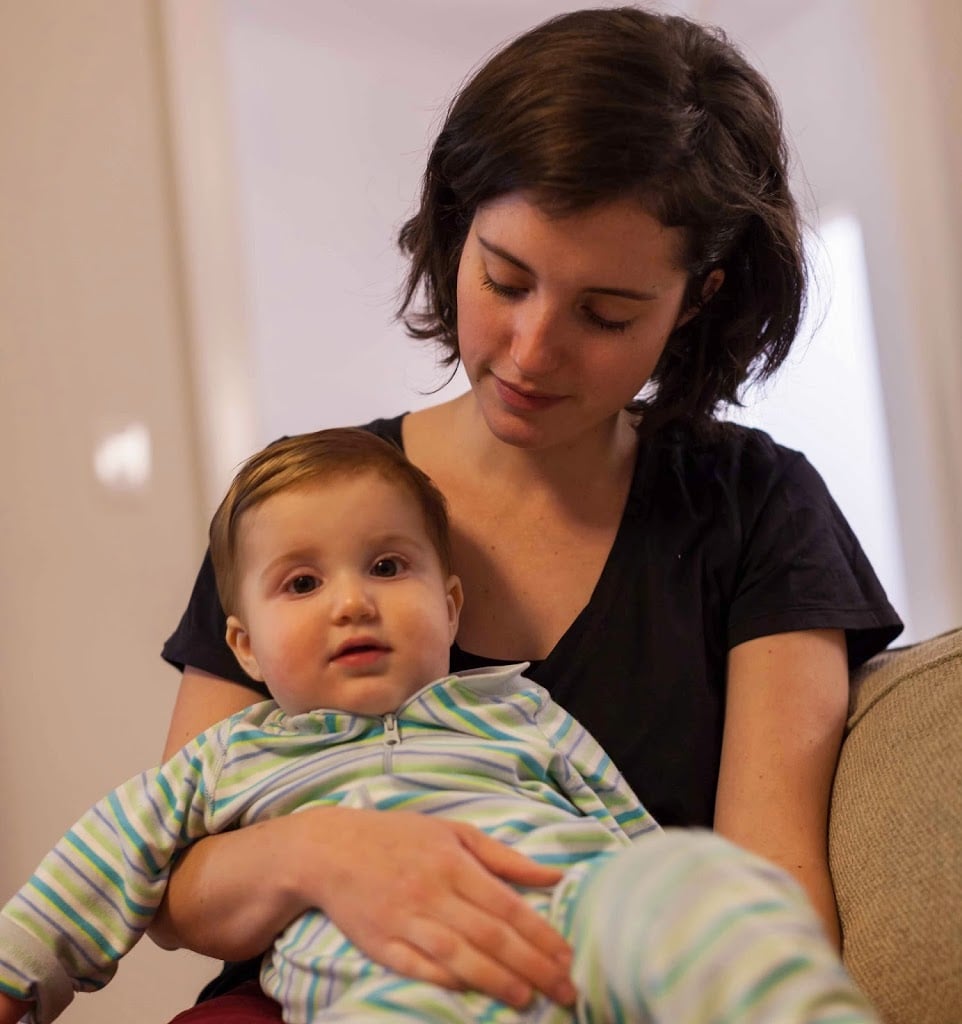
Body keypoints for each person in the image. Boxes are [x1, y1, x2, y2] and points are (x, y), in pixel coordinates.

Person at [153, 6, 902, 1021]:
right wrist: (326, 852)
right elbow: (176, 886)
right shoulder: (302, 505)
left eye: (604, 313)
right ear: (456, 232)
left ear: (695, 299)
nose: (530, 349)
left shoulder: (754, 506)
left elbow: (769, 892)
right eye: (504, 278)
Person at [0, 429, 878, 1024]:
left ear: (449, 606)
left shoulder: (516, 708)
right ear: (246, 648)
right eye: (302, 585)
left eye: (387, 567)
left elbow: (629, 833)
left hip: (569, 932)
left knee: (702, 891)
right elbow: (108, 856)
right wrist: (16, 970)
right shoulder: (230, 759)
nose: (351, 602)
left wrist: (659, 909)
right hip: (384, 978)